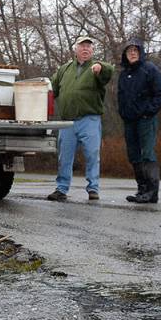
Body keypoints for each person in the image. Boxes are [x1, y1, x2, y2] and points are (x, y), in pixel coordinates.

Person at [47, 36, 115, 201]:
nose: (85, 49)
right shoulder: (64, 69)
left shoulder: (96, 67)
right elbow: (51, 88)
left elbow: (108, 71)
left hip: (89, 119)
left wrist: (101, 67)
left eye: (89, 47)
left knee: (92, 154)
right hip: (67, 121)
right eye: (82, 46)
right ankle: (61, 189)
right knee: (65, 156)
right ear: (75, 49)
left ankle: (93, 189)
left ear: (92, 51)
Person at [117, 38, 161, 203]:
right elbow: (120, 96)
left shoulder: (150, 69)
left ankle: (152, 192)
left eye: (135, 50)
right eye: (129, 50)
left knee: (147, 154)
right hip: (129, 120)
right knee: (133, 155)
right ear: (125, 54)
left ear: (141, 52)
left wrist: (148, 111)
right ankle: (142, 190)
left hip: (146, 120)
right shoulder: (124, 74)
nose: (132, 53)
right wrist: (123, 113)